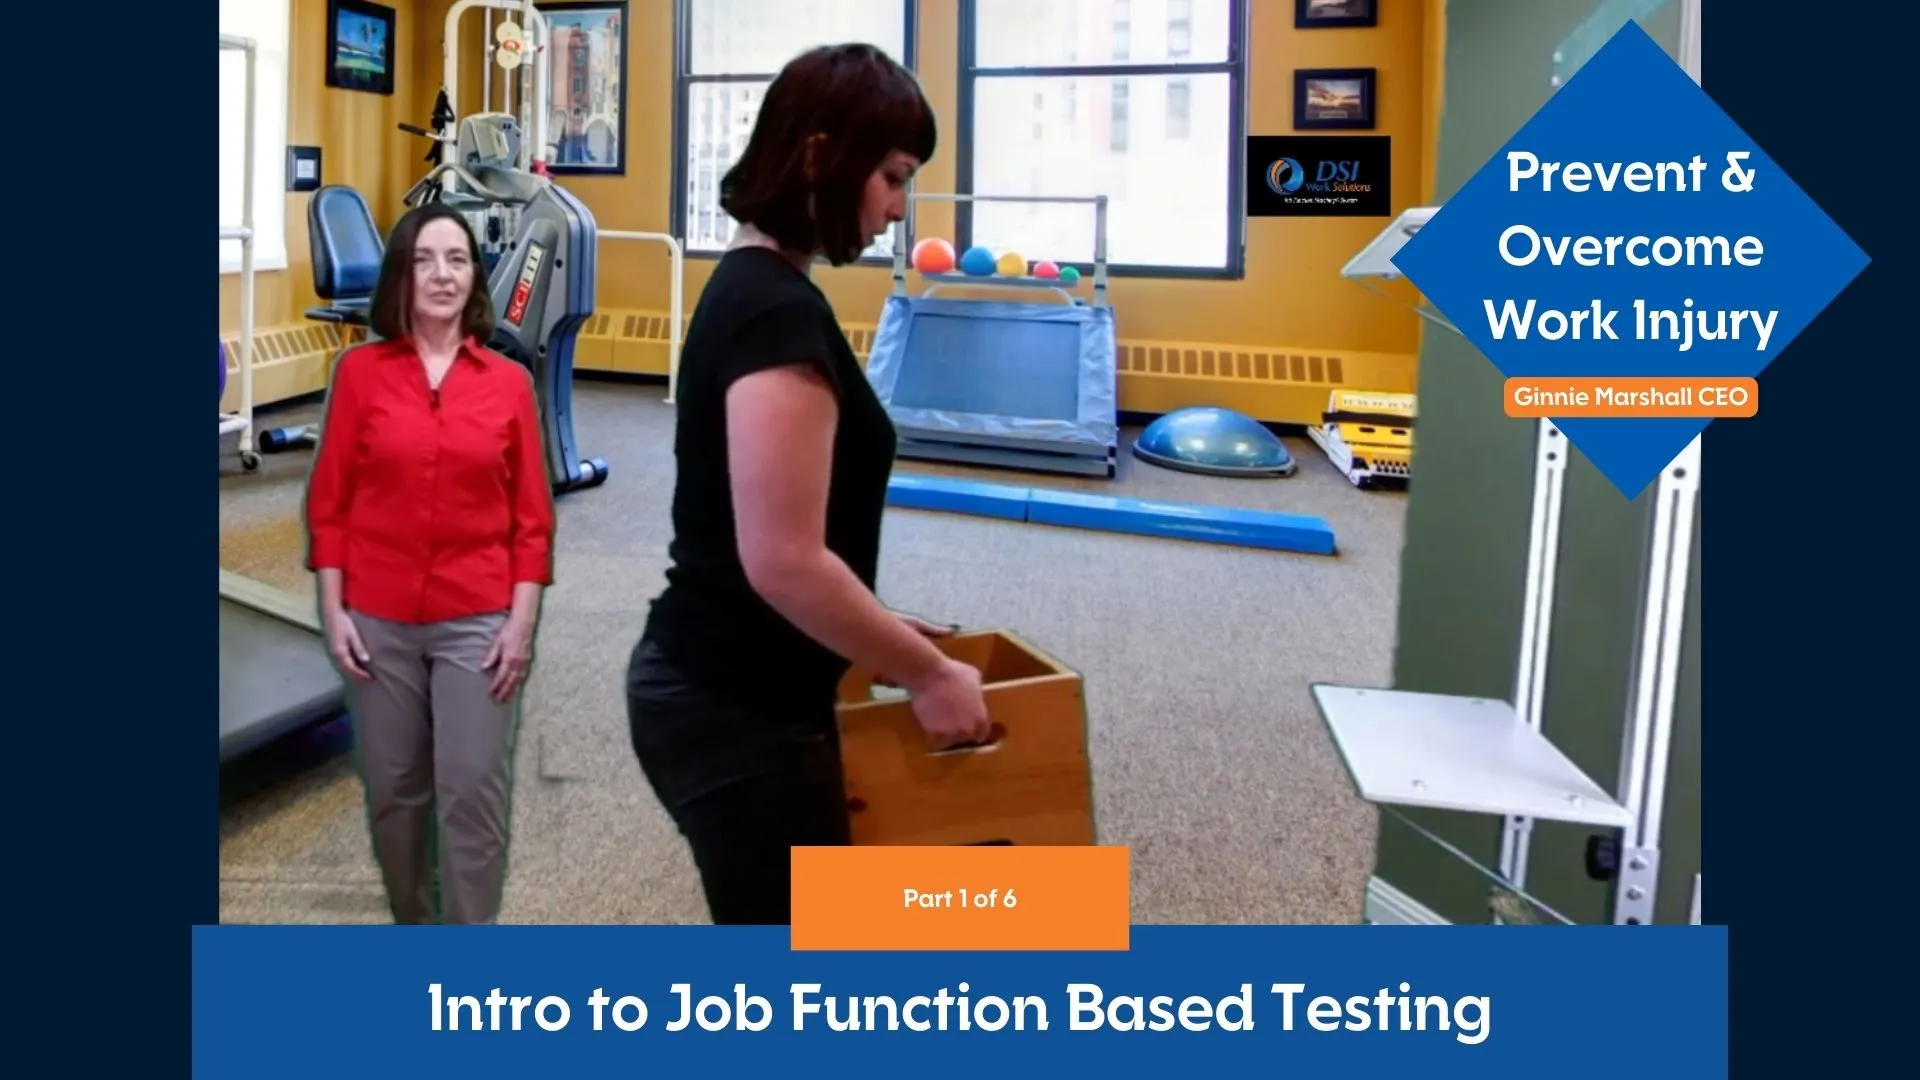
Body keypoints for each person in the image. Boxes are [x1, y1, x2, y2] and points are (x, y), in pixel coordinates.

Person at [625, 43, 993, 926]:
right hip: (729, 709)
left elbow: (760, 530)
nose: (900, 209)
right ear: (822, 157)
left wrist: (871, 627)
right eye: (893, 177)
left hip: (750, 681)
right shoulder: (773, 310)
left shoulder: (762, 286)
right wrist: (931, 673)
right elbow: (782, 561)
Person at [303, 203, 556, 925]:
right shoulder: (359, 374)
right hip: (378, 615)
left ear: (475, 276)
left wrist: (522, 624)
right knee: (395, 791)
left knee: (471, 791)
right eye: (425, 260)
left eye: (457, 259)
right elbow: (331, 505)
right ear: (402, 277)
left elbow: (532, 520)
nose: (442, 274)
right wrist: (333, 607)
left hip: (478, 617)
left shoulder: (507, 382)